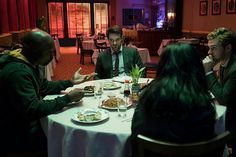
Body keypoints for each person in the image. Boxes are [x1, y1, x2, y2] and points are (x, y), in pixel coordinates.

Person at [0, 29, 95, 154]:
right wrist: (67, 99)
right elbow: (32, 109)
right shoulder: (18, 72)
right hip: (19, 134)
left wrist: (70, 82)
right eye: (50, 52)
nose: (52, 55)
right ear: (37, 52)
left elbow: (43, 87)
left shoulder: (30, 62)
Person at [131, 43, 216, 156]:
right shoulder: (204, 103)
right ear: (196, 67)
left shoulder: (149, 97)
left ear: (162, 66)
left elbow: (136, 135)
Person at [202, 27, 236, 156]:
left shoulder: (234, 69)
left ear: (228, 48)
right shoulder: (225, 61)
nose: (209, 52)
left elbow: (222, 97)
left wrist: (209, 72)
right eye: (209, 48)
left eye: (213, 48)